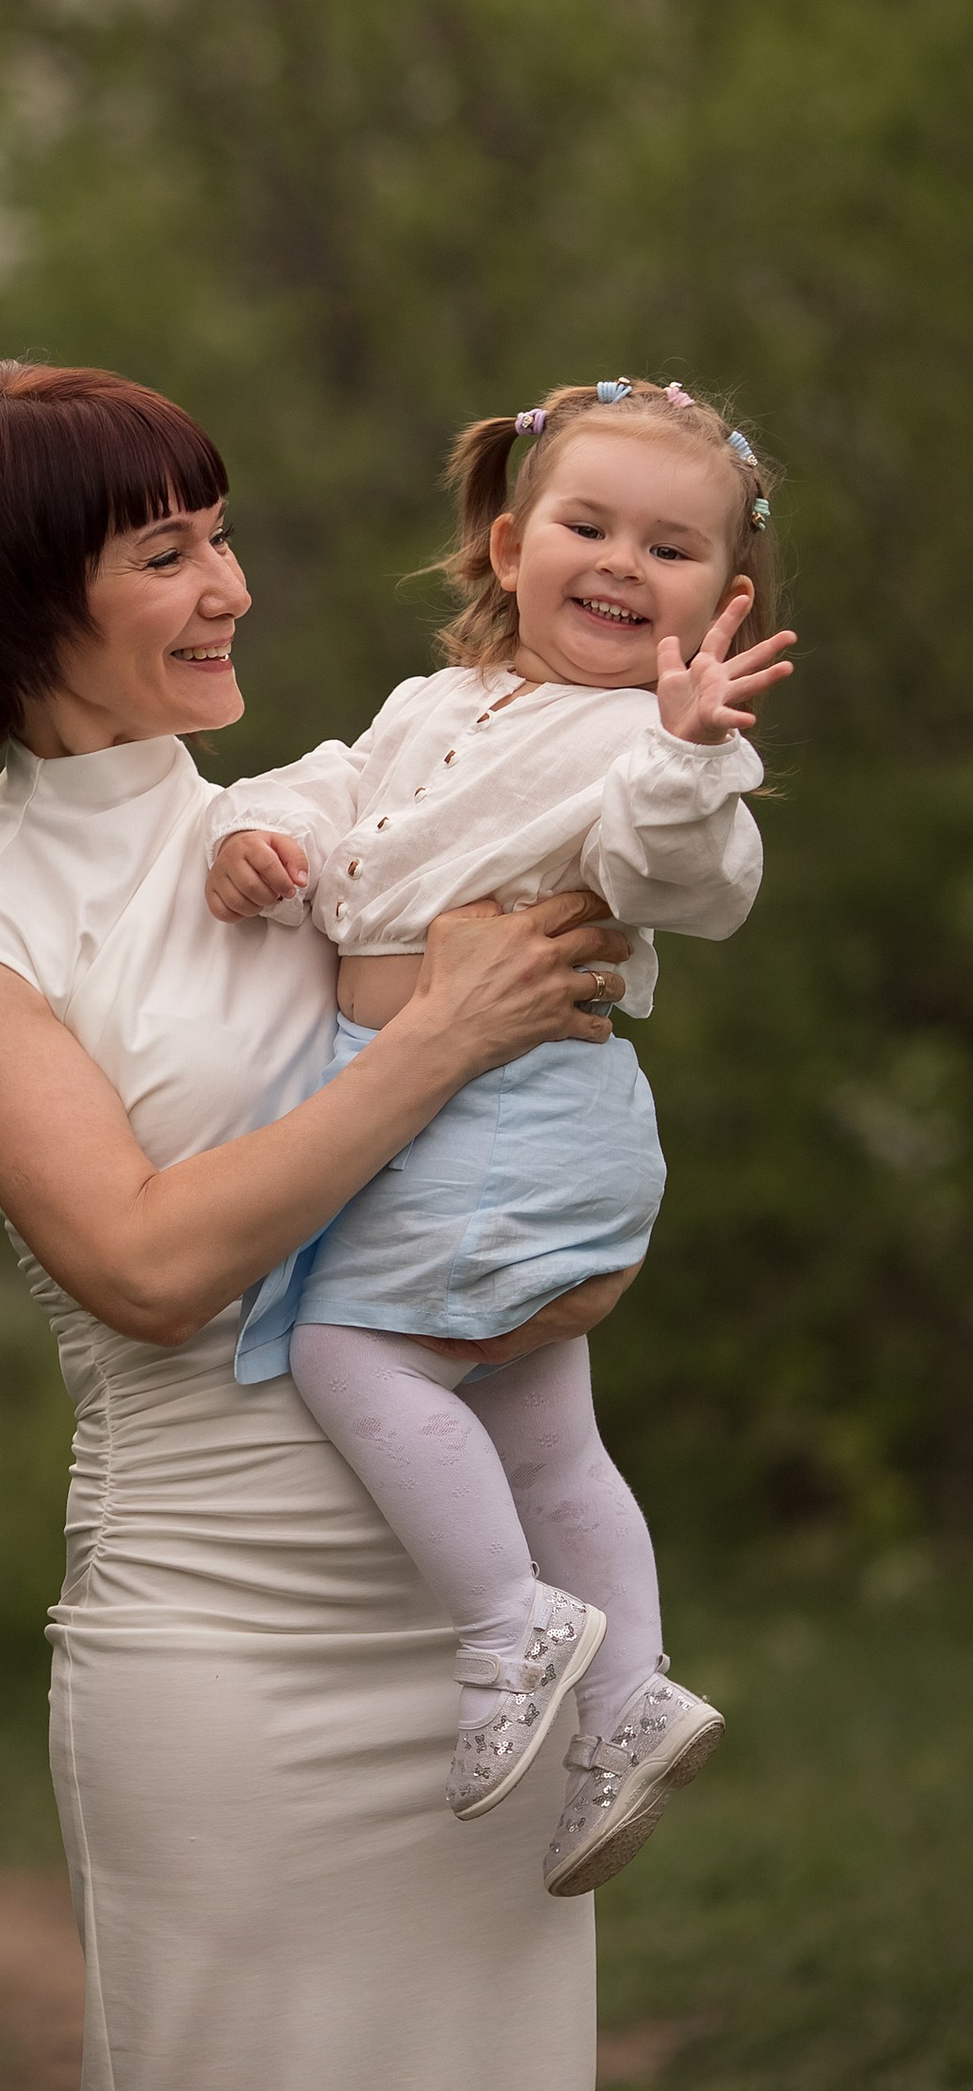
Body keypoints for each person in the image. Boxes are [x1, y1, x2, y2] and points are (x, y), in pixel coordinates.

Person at [0, 361, 633, 2091]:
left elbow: (547, 1185)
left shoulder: (338, 823)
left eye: (221, 538)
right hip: (226, 1658)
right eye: (164, 553)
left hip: (485, 1640)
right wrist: (447, 1032)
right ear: (11, 593)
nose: (232, 589)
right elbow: (143, 1269)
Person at [202, 377, 792, 1895]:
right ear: (511, 543)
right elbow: (332, 793)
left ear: (722, 602)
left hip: (517, 1100)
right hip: (461, 1107)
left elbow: (691, 880)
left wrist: (683, 752)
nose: (618, 562)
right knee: (542, 1429)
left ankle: (510, 1624)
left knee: (349, 1354)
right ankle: (629, 1696)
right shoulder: (433, 709)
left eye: (668, 550)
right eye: (588, 526)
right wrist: (255, 838)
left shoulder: (642, 749)